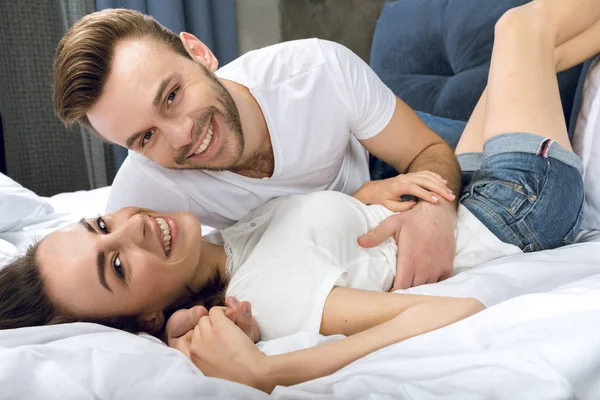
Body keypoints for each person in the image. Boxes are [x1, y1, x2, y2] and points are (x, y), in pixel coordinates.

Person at [1, 0, 593, 393]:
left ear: (200, 55)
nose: (134, 229)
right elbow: (456, 310)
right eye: (119, 265)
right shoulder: (261, 292)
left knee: (541, 54)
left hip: (455, 199)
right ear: (147, 316)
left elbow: (308, 231)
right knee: (519, 29)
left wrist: (372, 197)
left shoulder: (226, 241)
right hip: (517, 212)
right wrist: (267, 371)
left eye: (101, 226)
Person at [52, 9, 464, 290]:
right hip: (354, 206)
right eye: (145, 137)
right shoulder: (141, 192)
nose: (179, 137)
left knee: (502, 148)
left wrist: (434, 211)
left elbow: (426, 150)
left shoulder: (318, 69)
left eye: (173, 95)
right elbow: (127, 301)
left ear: (199, 53)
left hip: (376, 155)